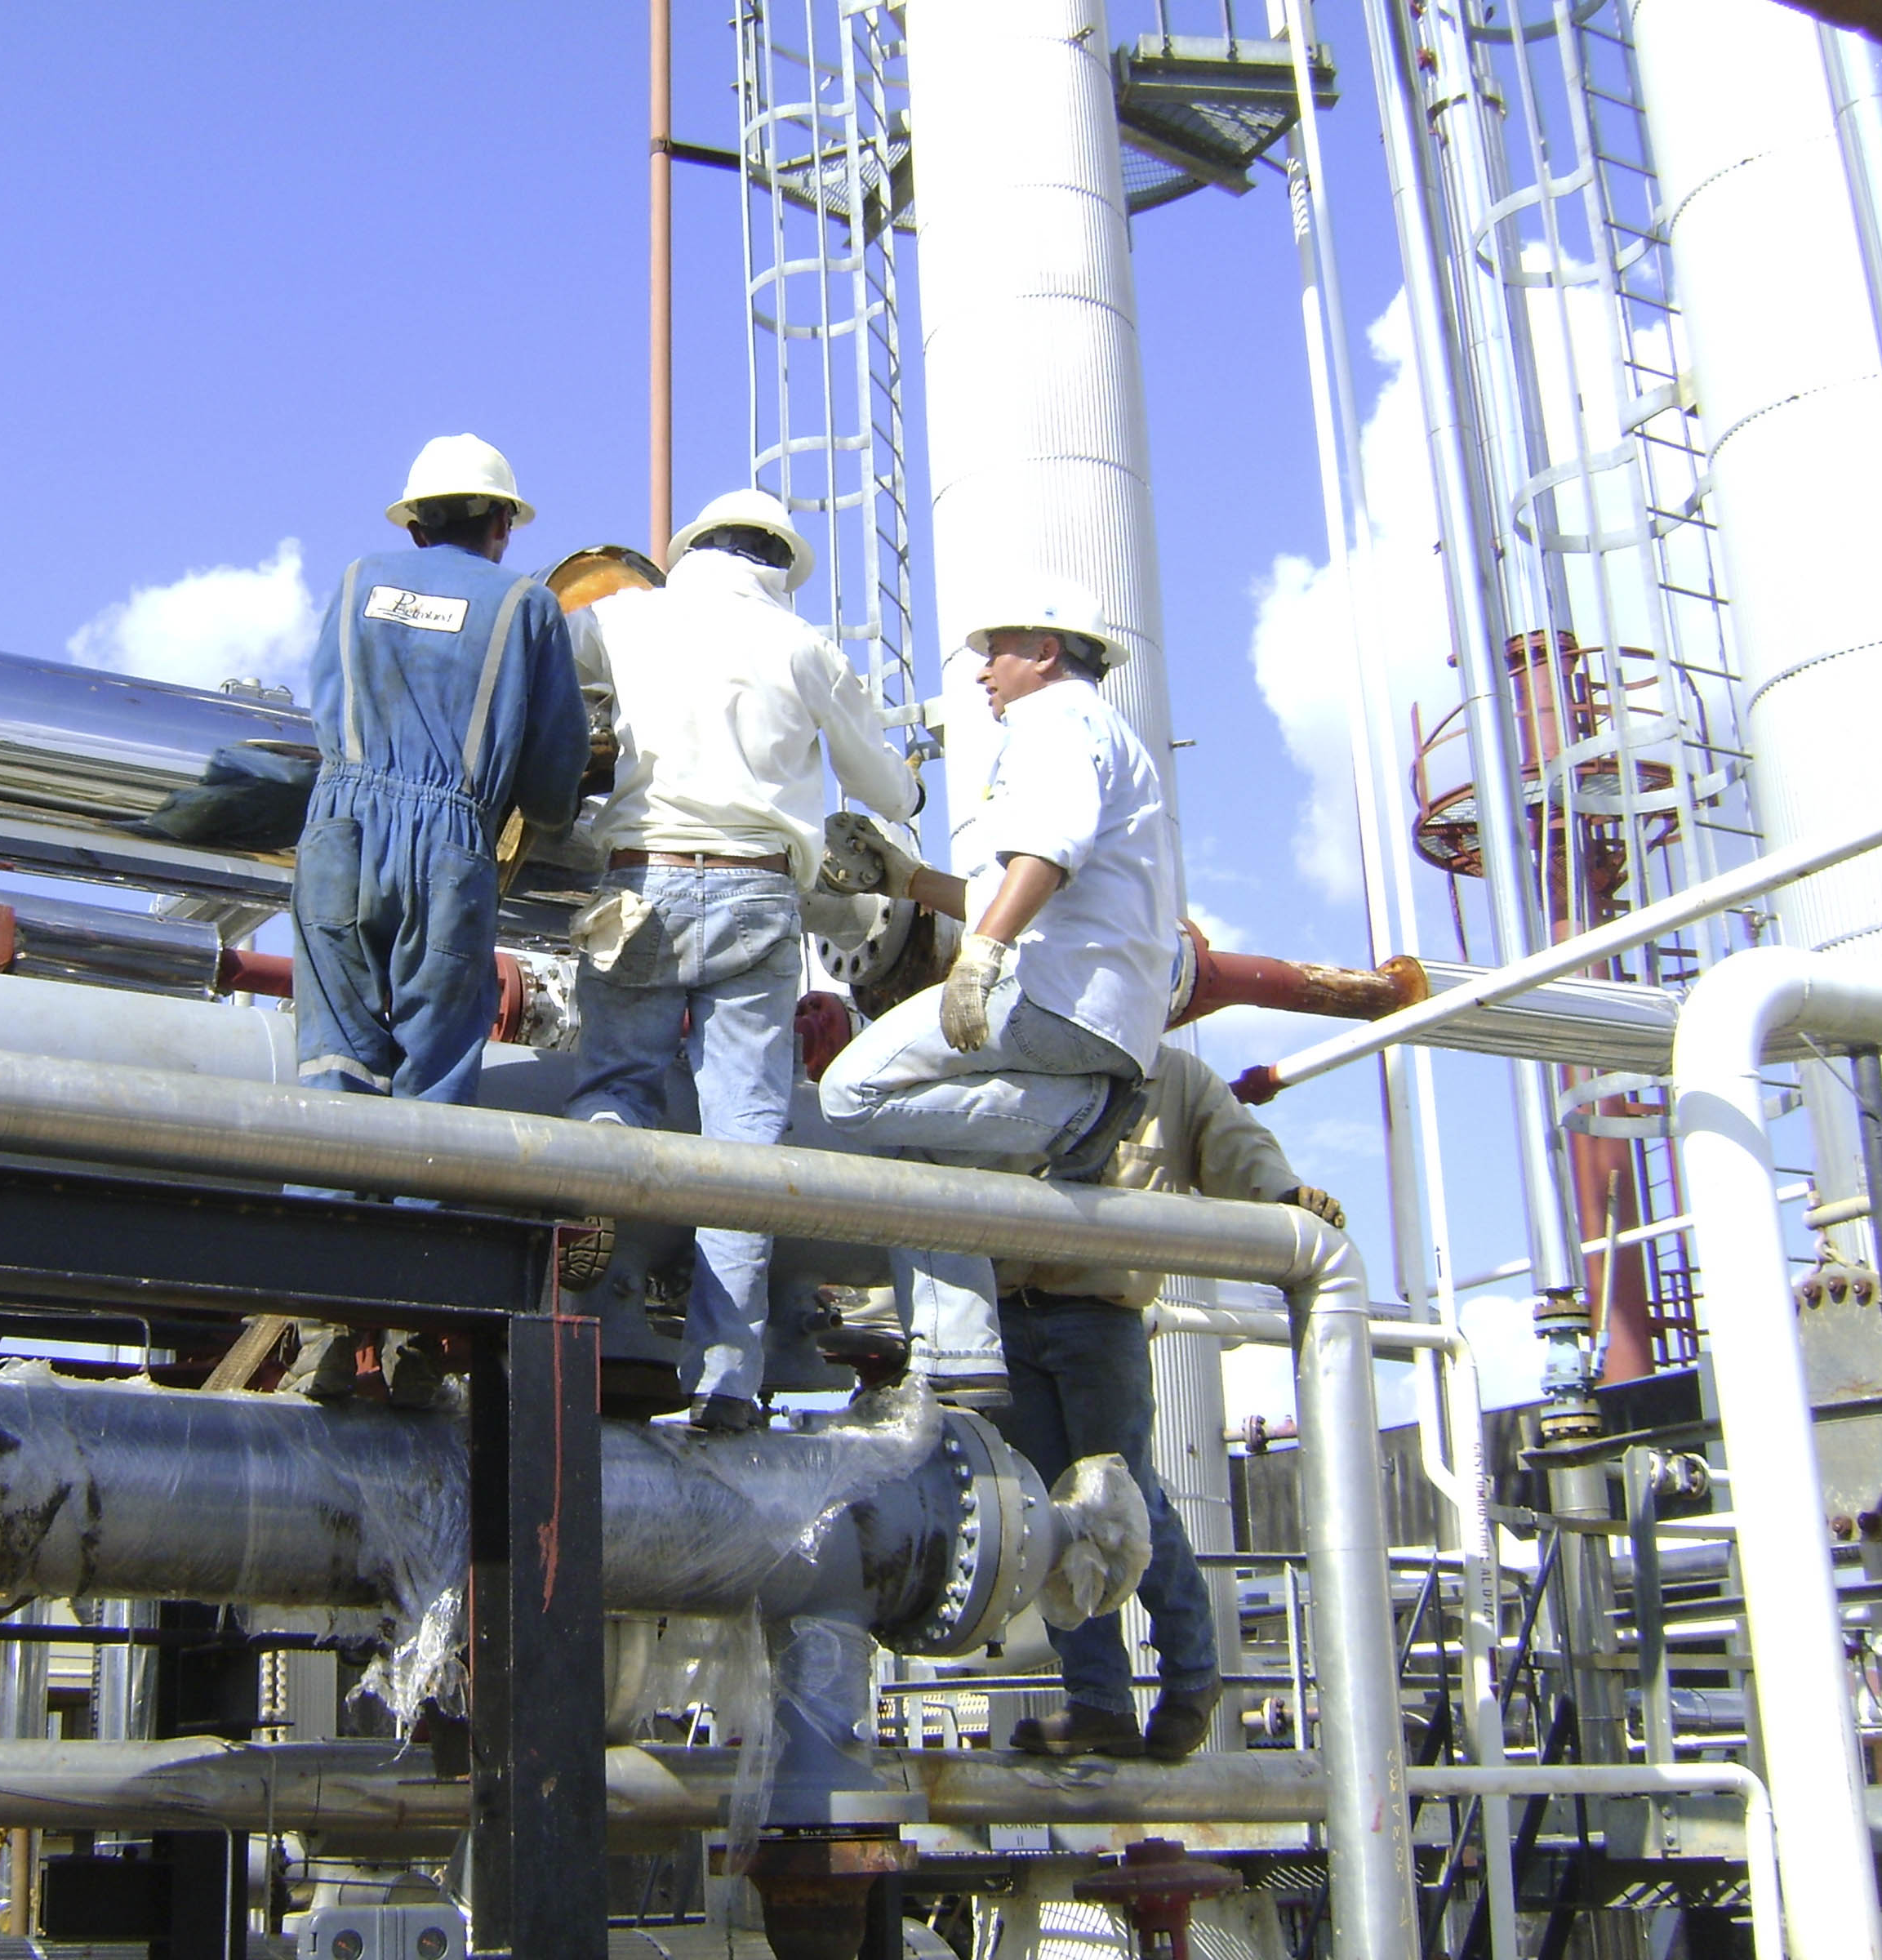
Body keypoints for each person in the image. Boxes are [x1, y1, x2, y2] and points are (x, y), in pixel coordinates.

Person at [561, 488, 921, 1432]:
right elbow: (887, 790)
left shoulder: (626, 616)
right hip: (757, 891)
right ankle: (725, 1379)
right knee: (745, 1134)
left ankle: (594, 1184)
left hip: (638, 878)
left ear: (693, 552)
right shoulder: (804, 647)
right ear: (778, 565)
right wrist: (909, 784)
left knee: (616, 1081)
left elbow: (537, 657)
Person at [281, 434, 591, 1404]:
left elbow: (324, 708)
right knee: (432, 1080)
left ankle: (325, 1329)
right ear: (501, 524)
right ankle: (416, 1330)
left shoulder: (354, 583)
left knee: (332, 1068)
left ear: (414, 524)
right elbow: (552, 785)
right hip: (450, 849)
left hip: (338, 831)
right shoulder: (527, 608)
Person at [816, 582, 1177, 1406]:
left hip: (1056, 996)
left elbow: (1045, 855)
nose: (983, 670)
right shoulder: (1101, 732)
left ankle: (1077, 1117)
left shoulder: (1054, 721)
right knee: (922, 1139)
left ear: (1046, 653)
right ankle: (960, 1356)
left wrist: (979, 957)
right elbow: (1017, 885)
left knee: (849, 1094)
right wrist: (910, 880)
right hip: (1103, 1005)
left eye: (997, 651)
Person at [1000, 1045, 1345, 1762]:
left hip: (1099, 1313)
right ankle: (1097, 1701)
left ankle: (1191, 1676)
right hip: (1005, 1312)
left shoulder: (1173, 1080)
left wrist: (1286, 1200)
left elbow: (1239, 1149)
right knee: (1048, 1515)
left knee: (1126, 1500)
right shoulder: (1020, 1056)